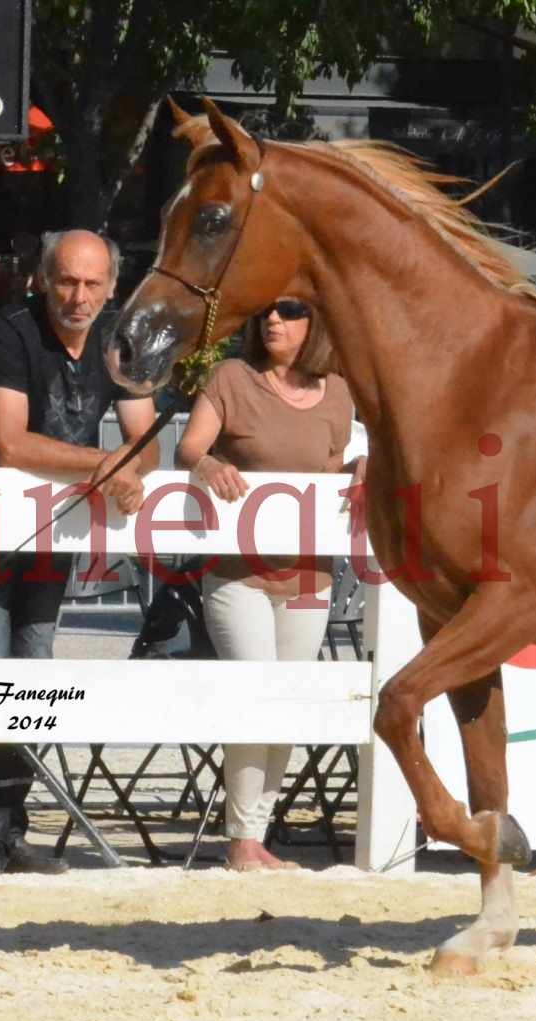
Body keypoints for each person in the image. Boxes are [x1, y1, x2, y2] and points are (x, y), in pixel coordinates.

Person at [0, 229, 162, 875]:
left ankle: (12, 831)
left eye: (92, 283)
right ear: (43, 279)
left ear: (112, 288)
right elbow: (10, 444)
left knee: (34, 670)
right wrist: (107, 465)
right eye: (67, 280)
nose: (78, 295)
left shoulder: (121, 340)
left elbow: (147, 443)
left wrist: (127, 466)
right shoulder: (9, 332)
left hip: (56, 529)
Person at [174, 298, 362, 871]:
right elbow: (188, 447)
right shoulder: (232, 378)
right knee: (252, 698)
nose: (272, 321)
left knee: (287, 705)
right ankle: (240, 840)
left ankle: (256, 836)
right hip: (237, 572)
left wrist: (363, 470)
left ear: (315, 323)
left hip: (309, 573)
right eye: (265, 313)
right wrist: (207, 467)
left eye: (289, 310)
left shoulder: (338, 391)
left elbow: (332, 465)